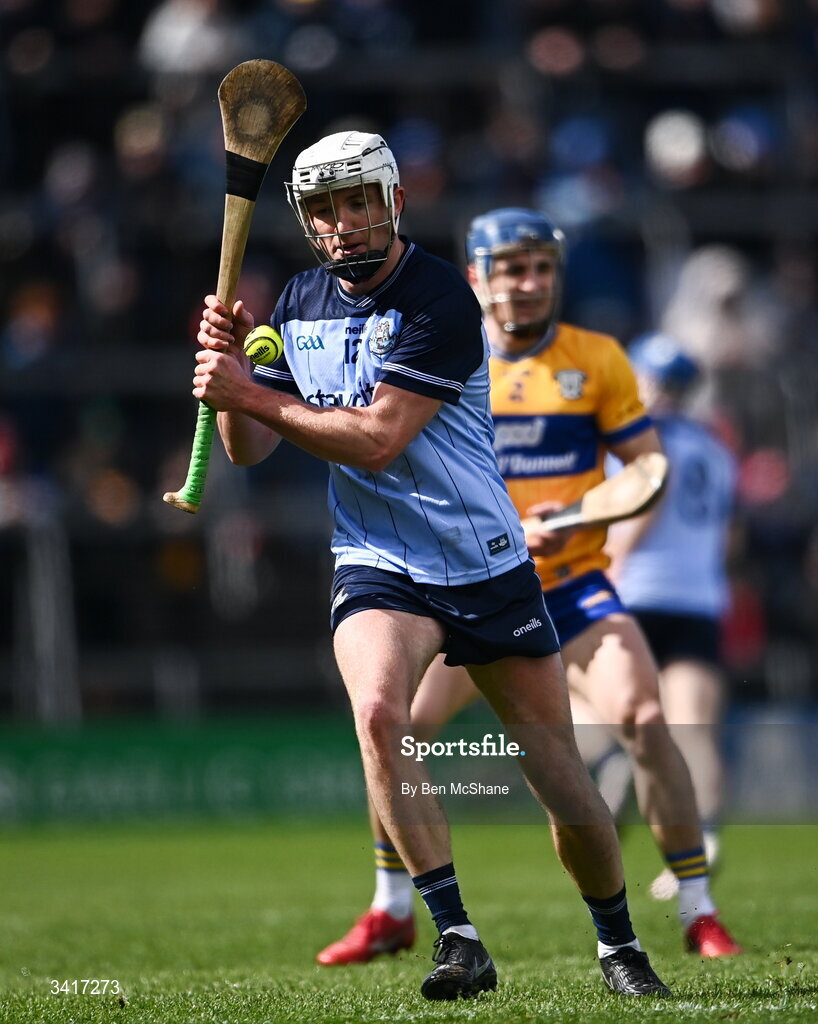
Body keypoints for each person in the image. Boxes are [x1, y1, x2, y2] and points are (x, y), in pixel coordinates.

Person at [191, 134, 669, 999]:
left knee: (559, 781)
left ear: (394, 202)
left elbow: (378, 439)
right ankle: (457, 936)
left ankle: (619, 944)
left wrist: (249, 391)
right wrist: (233, 380)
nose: (343, 222)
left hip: (483, 562)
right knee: (380, 713)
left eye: (358, 202)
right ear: (307, 221)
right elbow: (249, 449)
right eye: (325, 209)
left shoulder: (442, 296)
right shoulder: (298, 299)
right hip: (376, 560)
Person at [315, 206, 742, 969]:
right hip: (462, 587)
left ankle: (697, 910)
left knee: (646, 717)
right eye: (512, 268)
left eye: (543, 268)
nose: (529, 283)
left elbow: (648, 469)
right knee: (395, 724)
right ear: (476, 277)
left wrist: (572, 516)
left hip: (569, 586)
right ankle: (392, 907)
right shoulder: (436, 341)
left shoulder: (596, 359)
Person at [603, 331, 738, 899]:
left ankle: (620, 783)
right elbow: (730, 535)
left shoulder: (642, 437)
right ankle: (705, 835)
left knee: (621, 719)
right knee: (693, 728)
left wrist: (614, 559)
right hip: (698, 600)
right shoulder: (715, 449)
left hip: (635, 594)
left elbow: (645, 501)